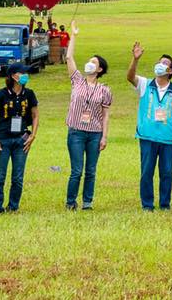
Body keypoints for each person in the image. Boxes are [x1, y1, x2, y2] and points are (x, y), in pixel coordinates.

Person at [63, 29, 111, 210]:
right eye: (89, 61)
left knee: (91, 170)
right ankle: (70, 202)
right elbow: (69, 57)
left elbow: (106, 115)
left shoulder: (105, 90)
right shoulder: (77, 80)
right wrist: (74, 35)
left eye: (94, 62)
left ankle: (87, 202)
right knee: (76, 170)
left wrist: (104, 136)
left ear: (100, 69)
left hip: (95, 134)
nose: (89, 64)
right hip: (76, 131)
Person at [127, 44, 172, 211]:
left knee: (166, 173)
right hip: (147, 136)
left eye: (165, 63)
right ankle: (147, 204)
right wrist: (135, 59)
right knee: (146, 172)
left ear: (170, 71)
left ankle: (165, 204)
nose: (160, 65)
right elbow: (130, 77)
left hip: (168, 138)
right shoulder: (145, 84)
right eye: (159, 62)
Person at [0, 70, 38, 213]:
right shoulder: (1, 94)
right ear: (13, 76)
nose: (24, 75)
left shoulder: (29, 94)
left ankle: (13, 206)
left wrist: (33, 135)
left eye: (25, 72)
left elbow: (35, 115)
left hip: (21, 140)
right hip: (2, 139)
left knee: (18, 177)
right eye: (21, 73)